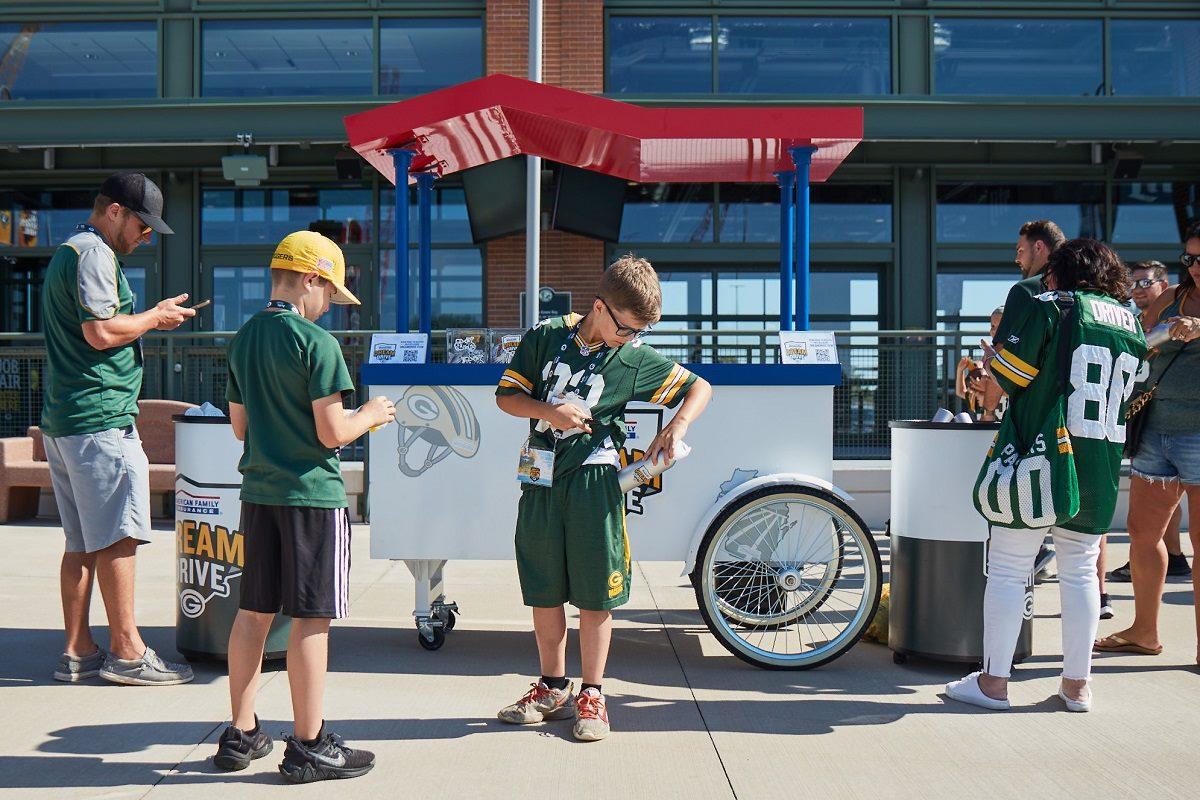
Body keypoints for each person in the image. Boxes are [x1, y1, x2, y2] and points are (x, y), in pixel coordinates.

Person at [494, 255, 712, 741]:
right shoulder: (544, 337)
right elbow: (506, 397)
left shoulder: (633, 358)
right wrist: (549, 411)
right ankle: (553, 687)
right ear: (598, 307)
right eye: (626, 329)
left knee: (597, 590)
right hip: (540, 477)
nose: (631, 340)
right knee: (544, 587)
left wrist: (675, 428)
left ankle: (592, 693)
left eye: (640, 333)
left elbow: (700, 388)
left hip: (596, 483)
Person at [214, 231, 395, 782]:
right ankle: (311, 743)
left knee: (254, 614)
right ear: (311, 281)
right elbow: (332, 430)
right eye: (330, 295)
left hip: (259, 494)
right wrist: (373, 413)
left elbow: (239, 426)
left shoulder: (244, 338)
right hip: (312, 498)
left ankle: (241, 732)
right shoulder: (318, 345)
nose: (329, 308)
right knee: (312, 619)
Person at [947, 239, 1145, 712]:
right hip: (1100, 457)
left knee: (1011, 567)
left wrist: (992, 361)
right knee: (1080, 571)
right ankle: (1077, 686)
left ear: (1062, 271)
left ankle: (993, 683)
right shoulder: (1129, 320)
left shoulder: (1052, 306)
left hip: (1043, 447)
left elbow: (1013, 376)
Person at [43, 172, 196, 685]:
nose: (146, 235)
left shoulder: (70, 250)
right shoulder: (93, 254)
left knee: (82, 541)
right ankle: (128, 652)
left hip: (67, 418)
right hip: (99, 419)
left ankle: (77, 651)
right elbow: (102, 331)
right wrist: (155, 316)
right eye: (141, 224)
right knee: (118, 536)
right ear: (113, 212)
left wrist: (153, 316)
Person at [1095, 223, 1200, 665]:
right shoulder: (1171, 296)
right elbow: (1139, 344)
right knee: (1142, 534)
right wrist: (1155, 337)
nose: (1194, 266)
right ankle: (1144, 631)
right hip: (1156, 430)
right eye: (1189, 258)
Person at [1102, 261, 1189, 594]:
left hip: (1180, 421)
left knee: (1166, 498)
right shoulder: (1134, 321)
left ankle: (1172, 556)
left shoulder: (1176, 318)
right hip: (1148, 417)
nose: (1136, 290)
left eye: (1144, 283)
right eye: (1132, 285)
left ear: (1163, 284)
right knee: (1153, 509)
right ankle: (1171, 557)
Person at [993, 220, 1068, 577]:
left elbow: (1006, 358)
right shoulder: (1088, 297)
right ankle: (1101, 596)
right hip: (1080, 420)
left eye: (1021, 250)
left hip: (1032, 418)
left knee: (1016, 505)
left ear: (1040, 248)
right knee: (1082, 537)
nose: (1017, 260)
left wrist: (991, 392)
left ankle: (1030, 558)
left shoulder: (1025, 291)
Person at [956, 307, 1007, 421]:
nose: (994, 331)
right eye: (992, 326)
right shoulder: (988, 355)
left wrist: (990, 386)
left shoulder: (1018, 353)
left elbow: (1020, 390)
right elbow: (961, 392)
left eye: (1000, 326)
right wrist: (961, 370)